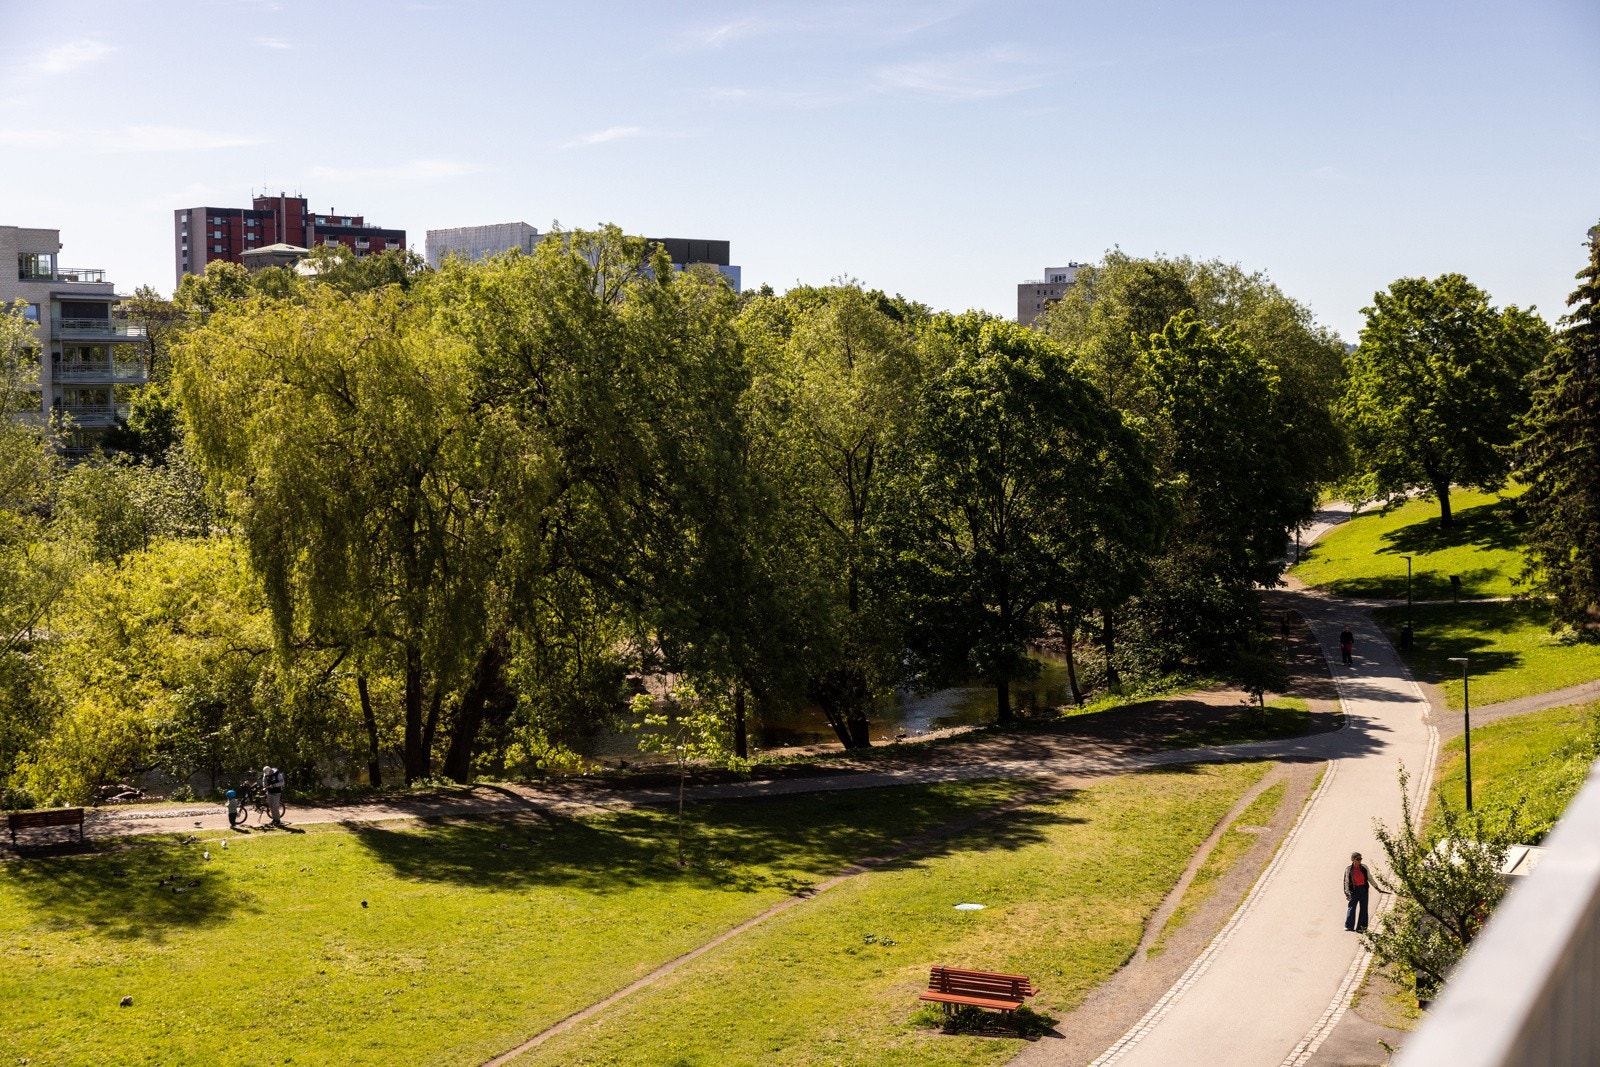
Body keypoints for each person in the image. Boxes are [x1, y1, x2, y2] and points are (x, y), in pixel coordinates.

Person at [1344, 851, 1371, 932]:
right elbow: (1346, 882)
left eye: (1360, 859)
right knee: (1351, 907)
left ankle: (1361, 928)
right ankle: (1349, 926)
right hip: (1354, 890)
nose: (1359, 860)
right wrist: (1347, 893)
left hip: (1363, 890)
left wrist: (1376, 887)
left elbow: (1370, 878)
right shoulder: (1348, 869)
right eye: (1358, 859)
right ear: (1353, 859)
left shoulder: (1364, 867)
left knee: (1364, 908)